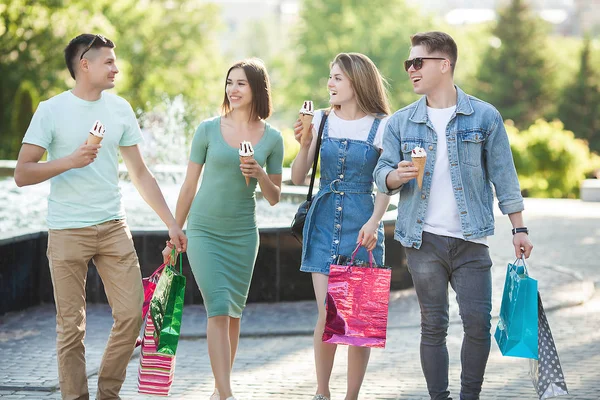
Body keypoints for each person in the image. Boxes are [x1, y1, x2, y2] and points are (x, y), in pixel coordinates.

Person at [14, 33, 187, 400]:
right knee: (70, 328)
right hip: (66, 231)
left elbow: (140, 173)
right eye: (108, 62)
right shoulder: (51, 109)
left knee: (130, 315)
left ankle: (108, 393)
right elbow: (22, 173)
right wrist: (69, 161)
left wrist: (171, 223)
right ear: (84, 65)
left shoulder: (120, 108)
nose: (116, 68)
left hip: (112, 227)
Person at [373, 31, 534, 400]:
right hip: (422, 240)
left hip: (471, 240)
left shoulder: (484, 116)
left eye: (418, 62)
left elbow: (505, 177)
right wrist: (395, 175)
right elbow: (381, 173)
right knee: (433, 326)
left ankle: (469, 396)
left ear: (444, 65)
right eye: (408, 63)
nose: (411, 70)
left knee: (478, 323)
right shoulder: (400, 122)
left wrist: (519, 228)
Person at [163, 58, 284, 400]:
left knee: (232, 314)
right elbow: (189, 186)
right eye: (230, 82)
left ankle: (220, 391)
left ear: (257, 88)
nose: (233, 89)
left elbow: (274, 197)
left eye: (241, 83)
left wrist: (259, 172)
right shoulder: (207, 129)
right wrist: (175, 229)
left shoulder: (273, 138)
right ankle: (228, 395)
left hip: (243, 234)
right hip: (203, 230)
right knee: (217, 308)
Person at [290, 53, 392, 400]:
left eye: (337, 78)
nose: (330, 84)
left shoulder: (382, 125)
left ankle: (352, 396)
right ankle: (322, 392)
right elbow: (297, 176)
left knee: (358, 320)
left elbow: (385, 184)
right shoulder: (320, 120)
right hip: (322, 222)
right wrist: (304, 144)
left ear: (357, 82)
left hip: (362, 223)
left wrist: (375, 222)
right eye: (329, 77)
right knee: (327, 312)